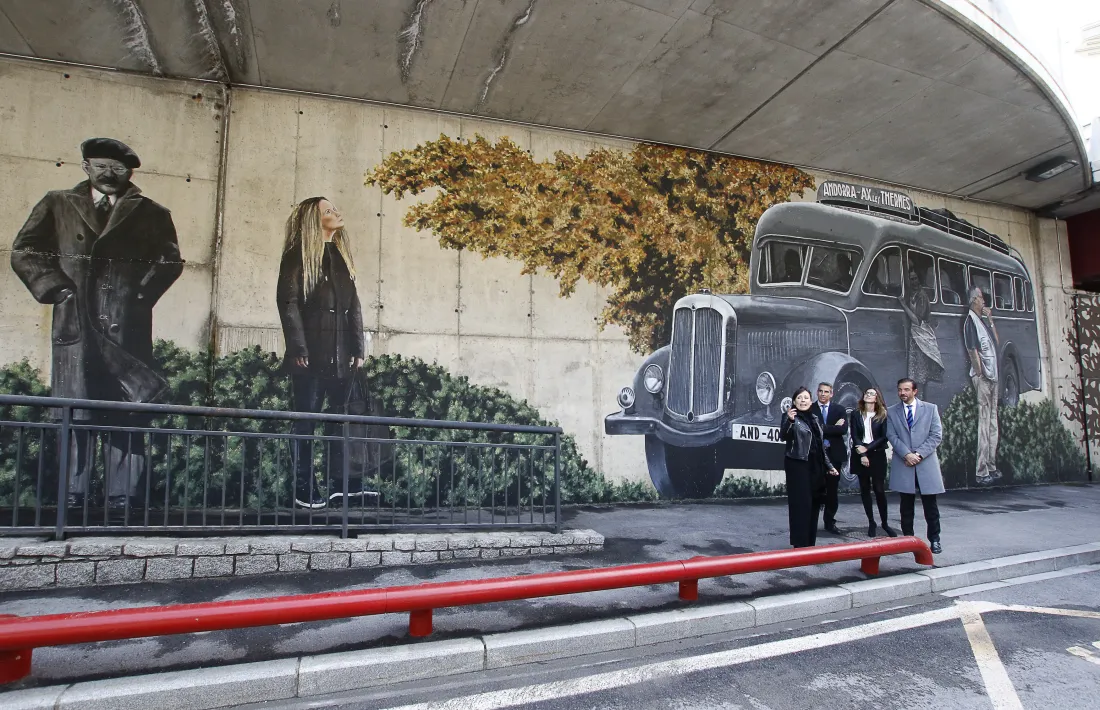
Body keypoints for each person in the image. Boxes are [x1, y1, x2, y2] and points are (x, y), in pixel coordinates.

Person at [11, 138, 183, 510]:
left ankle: (123, 496)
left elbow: (170, 260)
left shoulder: (152, 212)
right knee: (75, 410)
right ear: (86, 166)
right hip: (75, 326)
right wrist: (56, 288)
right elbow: (26, 249)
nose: (109, 173)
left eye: (118, 167)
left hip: (126, 329)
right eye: (101, 165)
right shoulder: (58, 203)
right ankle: (72, 495)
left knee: (127, 410)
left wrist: (138, 296)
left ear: (130, 172)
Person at [277, 197, 365, 508]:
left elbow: (353, 306)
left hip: (341, 355)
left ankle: (344, 485)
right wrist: (298, 348)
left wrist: (358, 347)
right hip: (312, 355)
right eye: (328, 211)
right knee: (306, 421)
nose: (336, 213)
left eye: (334, 208)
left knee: (342, 419)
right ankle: (304, 487)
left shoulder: (340, 256)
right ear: (315, 221)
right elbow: (288, 304)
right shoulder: (297, 256)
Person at [886, 378, 945, 554]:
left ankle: (934, 540)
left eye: (906, 390)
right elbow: (892, 436)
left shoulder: (930, 408)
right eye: (900, 390)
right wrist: (907, 454)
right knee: (906, 506)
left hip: (925, 463)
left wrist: (918, 455)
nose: (902, 393)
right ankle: (908, 540)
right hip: (904, 462)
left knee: (930, 506)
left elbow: (936, 435)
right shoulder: (892, 411)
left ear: (914, 391)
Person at [780, 387, 838, 548]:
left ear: (811, 401)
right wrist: (790, 421)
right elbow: (784, 436)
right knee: (801, 505)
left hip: (815, 466)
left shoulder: (814, 418)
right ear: (794, 401)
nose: (803, 401)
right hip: (798, 466)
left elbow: (820, 446)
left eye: (806, 398)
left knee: (814, 504)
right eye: (799, 398)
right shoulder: (789, 417)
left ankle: (810, 544)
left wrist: (829, 466)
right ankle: (799, 543)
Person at [964, 287, 1002, 485]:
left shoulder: (982, 321)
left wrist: (991, 320)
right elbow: (972, 350)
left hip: (992, 377)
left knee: (993, 422)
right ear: (973, 300)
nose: (983, 300)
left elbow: (996, 343)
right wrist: (980, 374)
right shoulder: (970, 321)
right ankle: (981, 471)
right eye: (980, 297)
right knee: (984, 424)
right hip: (985, 378)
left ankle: (991, 465)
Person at [849, 387, 896, 537]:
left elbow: (884, 437)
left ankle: (885, 523)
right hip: (859, 454)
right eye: (867, 393)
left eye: (872, 394)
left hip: (877, 454)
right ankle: (871, 522)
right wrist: (862, 453)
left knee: (879, 489)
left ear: (877, 398)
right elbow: (855, 435)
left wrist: (867, 449)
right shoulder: (856, 414)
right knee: (864, 489)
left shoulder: (883, 414)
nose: (868, 395)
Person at [897, 268, 944, 395]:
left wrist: (904, 305)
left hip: (922, 336)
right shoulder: (912, 294)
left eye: (915, 278)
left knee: (920, 375)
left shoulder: (922, 296)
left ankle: (920, 401)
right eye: (911, 279)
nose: (913, 282)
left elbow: (917, 320)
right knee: (916, 375)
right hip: (915, 337)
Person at [809, 382, 846, 534]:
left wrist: (822, 428)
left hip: (834, 454)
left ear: (832, 394)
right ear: (817, 392)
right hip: (815, 455)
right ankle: (811, 522)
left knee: (832, 490)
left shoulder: (839, 409)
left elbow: (843, 430)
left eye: (826, 392)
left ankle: (830, 522)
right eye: (821, 391)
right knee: (814, 489)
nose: (823, 394)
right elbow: (812, 429)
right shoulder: (810, 408)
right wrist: (833, 427)